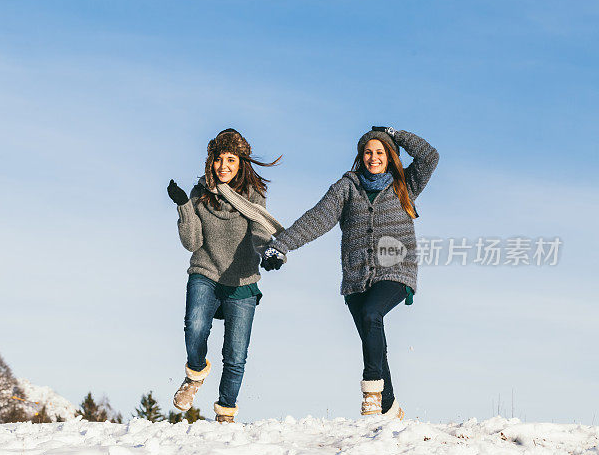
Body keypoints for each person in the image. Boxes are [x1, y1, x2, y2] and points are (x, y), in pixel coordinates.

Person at [261, 126, 439, 419]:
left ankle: (371, 394)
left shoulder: (404, 184)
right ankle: (390, 407)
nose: (373, 157)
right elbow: (318, 218)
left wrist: (394, 133)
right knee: (374, 341)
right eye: (368, 152)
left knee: (372, 315)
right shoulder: (347, 187)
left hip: (396, 272)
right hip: (357, 278)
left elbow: (429, 156)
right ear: (360, 156)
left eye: (380, 152)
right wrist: (281, 246)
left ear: (390, 156)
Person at [166, 128, 282, 423]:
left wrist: (268, 250)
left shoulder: (254, 196)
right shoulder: (200, 193)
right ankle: (194, 375)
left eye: (231, 159)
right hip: (205, 270)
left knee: (235, 354)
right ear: (211, 161)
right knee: (194, 326)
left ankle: (225, 413)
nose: (224, 166)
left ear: (241, 162)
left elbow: (259, 230)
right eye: (218, 159)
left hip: (242, 280)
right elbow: (192, 242)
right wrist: (184, 206)